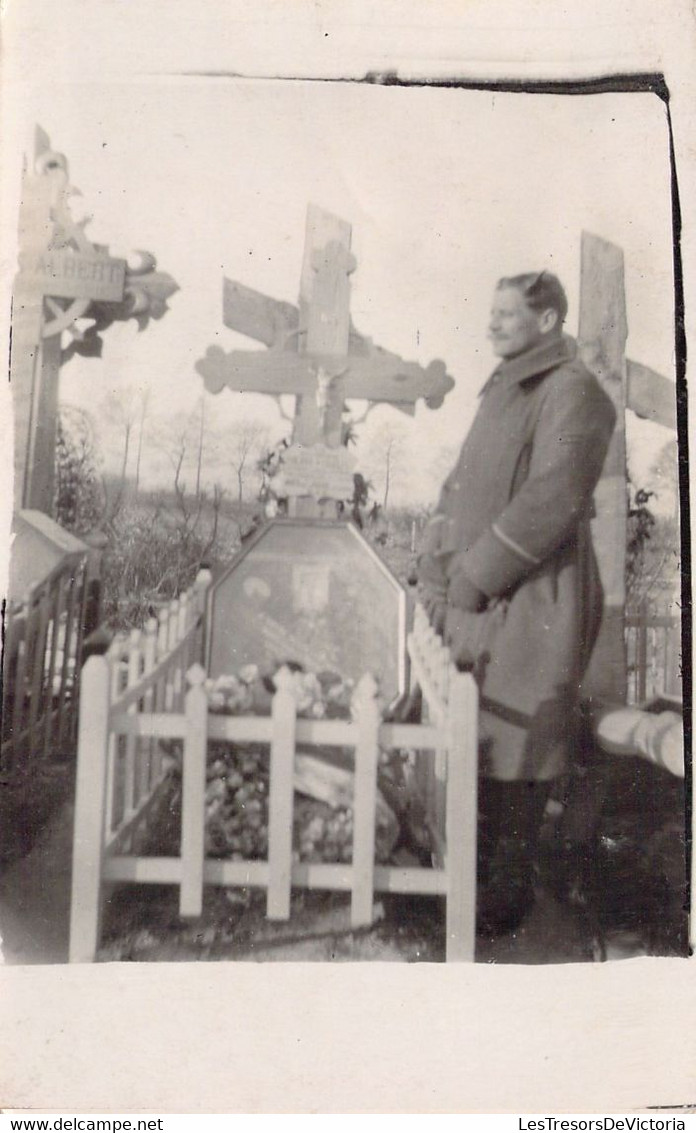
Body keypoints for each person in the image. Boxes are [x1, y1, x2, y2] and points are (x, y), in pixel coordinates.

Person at [418, 271, 616, 935]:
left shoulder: (576, 393)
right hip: (476, 590)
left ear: (549, 319)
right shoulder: (501, 390)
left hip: (538, 593)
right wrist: (437, 558)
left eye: (508, 313)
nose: (493, 324)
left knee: (523, 738)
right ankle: (466, 878)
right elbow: (460, 483)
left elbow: (555, 493)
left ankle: (507, 895)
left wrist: (477, 572)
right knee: (474, 724)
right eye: (491, 311)